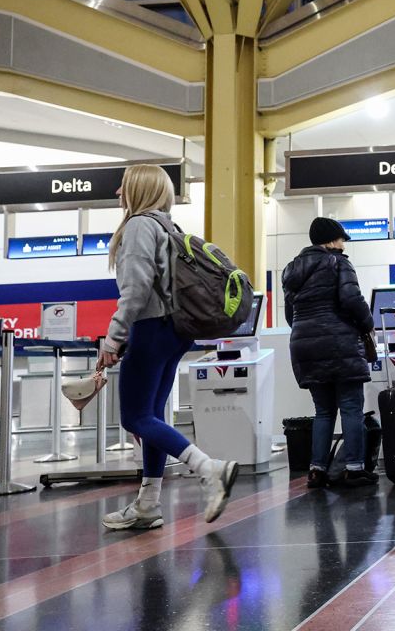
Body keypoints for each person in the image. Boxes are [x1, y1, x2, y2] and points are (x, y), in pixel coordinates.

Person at [98, 164, 239, 530]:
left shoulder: (139, 226)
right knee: (153, 416)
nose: (118, 193)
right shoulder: (168, 227)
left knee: (134, 417)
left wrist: (113, 337)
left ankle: (210, 470)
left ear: (138, 190)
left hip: (151, 328)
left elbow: (136, 289)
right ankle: (148, 504)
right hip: (176, 330)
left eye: (123, 186)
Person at [283, 217, 377, 489]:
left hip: (303, 343)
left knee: (323, 410)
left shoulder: (291, 269)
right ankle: (354, 468)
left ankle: (317, 470)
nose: (343, 244)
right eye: (341, 239)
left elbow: (291, 314)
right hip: (339, 341)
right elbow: (351, 299)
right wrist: (367, 324)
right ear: (332, 240)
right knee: (350, 406)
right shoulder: (338, 262)